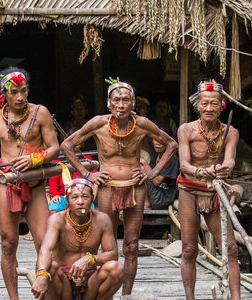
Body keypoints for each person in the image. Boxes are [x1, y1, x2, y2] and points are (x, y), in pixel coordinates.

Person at [60, 79, 177, 296]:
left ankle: (127, 294)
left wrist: (152, 172)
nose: (121, 105)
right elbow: (67, 145)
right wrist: (87, 174)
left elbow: (171, 144)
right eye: (116, 100)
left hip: (135, 187)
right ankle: (103, 293)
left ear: (133, 103)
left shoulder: (142, 123)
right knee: (106, 244)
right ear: (109, 103)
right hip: (106, 187)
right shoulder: (98, 123)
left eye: (125, 100)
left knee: (131, 246)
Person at [0, 66, 60, 299]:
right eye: (14, 92)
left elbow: (54, 147)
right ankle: (14, 298)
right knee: (8, 242)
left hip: (34, 182)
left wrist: (35, 158)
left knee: (43, 242)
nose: (20, 97)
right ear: (4, 93)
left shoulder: (40, 112)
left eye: (24, 90)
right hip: (6, 182)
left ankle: (46, 294)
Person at [177, 80, 240, 299]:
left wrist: (224, 169)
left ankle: (237, 298)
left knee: (230, 248)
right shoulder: (186, 130)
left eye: (214, 104)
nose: (209, 108)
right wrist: (200, 172)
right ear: (198, 105)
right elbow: (184, 165)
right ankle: (190, 297)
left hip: (215, 192)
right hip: (189, 191)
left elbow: (230, 159)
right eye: (205, 104)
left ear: (221, 105)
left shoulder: (230, 132)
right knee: (189, 249)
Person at [31, 176, 123, 300]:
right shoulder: (57, 219)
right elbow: (45, 249)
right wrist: (41, 274)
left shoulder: (102, 220)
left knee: (116, 268)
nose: (80, 202)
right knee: (50, 268)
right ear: (67, 201)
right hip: (63, 282)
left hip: (91, 281)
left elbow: (113, 254)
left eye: (85, 196)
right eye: (75, 197)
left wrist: (90, 259)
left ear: (92, 198)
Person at [141, 131, 179, 209]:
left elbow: (156, 181)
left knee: (142, 170)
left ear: (169, 142)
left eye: (161, 141)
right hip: (155, 193)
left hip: (163, 198)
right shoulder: (155, 155)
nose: (158, 143)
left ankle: (146, 204)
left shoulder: (172, 159)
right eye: (155, 140)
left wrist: (144, 163)